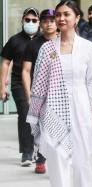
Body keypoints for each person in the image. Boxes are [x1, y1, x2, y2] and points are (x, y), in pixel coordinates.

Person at [26, 1, 92, 186]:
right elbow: (39, 83)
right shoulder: (47, 48)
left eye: (66, 14)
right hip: (53, 110)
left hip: (81, 108)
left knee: (81, 161)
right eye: (58, 15)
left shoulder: (87, 47)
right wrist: (36, 113)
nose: (61, 18)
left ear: (77, 18)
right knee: (57, 160)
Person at [0, 7, 40, 166]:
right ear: (22, 20)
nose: (31, 23)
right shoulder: (14, 40)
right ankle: (27, 152)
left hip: (40, 83)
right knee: (25, 114)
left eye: (34, 20)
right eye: (27, 20)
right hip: (18, 83)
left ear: (39, 22)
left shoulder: (43, 40)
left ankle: (40, 150)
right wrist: (2, 86)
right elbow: (5, 62)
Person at [22, 8, 57, 174]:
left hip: (60, 92)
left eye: (52, 20)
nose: (48, 24)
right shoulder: (34, 44)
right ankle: (41, 159)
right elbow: (26, 70)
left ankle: (60, 158)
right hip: (40, 93)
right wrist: (29, 95)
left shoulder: (64, 41)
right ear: (41, 24)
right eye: (45, 21)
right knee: (42, 128)